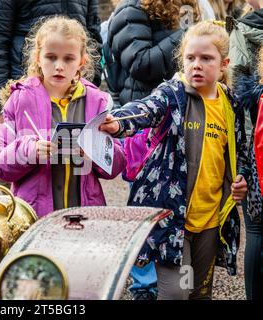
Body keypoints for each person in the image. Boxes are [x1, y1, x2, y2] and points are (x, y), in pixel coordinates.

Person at [100, 21, 248, 299]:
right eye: (191, 58)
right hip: (173, 220)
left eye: (206, 59)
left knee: (198, 293)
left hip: (211, 220)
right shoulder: (173, 94)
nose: (197, 65)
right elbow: (146, 109)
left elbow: (238, 153)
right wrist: (117, 123)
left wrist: (241, 181)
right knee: (176, 294)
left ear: (224, 63)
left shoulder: (231, 104)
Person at [0, 16, 126, 217]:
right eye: (51, 57)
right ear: (38, 59)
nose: (59, 65)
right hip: (34, 217)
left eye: (68, 58)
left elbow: (115, 167)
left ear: (81, 62)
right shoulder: (20, 101)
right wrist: (28, 150)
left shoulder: (96, 102)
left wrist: (96, 152)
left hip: (86, 217)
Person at [0, 0, 103, 130]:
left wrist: (90, 92)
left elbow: (92, 34)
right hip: (25, 94)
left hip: (74, 94)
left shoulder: (94, 100)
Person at [228, 0, 263, 300]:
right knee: (256, 230)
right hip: (254, 147)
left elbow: (240, 97)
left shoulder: (243, 29)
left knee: (256, 231)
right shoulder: (243, 28)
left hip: (253, 143)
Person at [107, 0, 200, 107]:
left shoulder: (185, 4)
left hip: (183, 101)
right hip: (147, 106)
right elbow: (139, 64)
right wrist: (186, 35)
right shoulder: (130, 10)